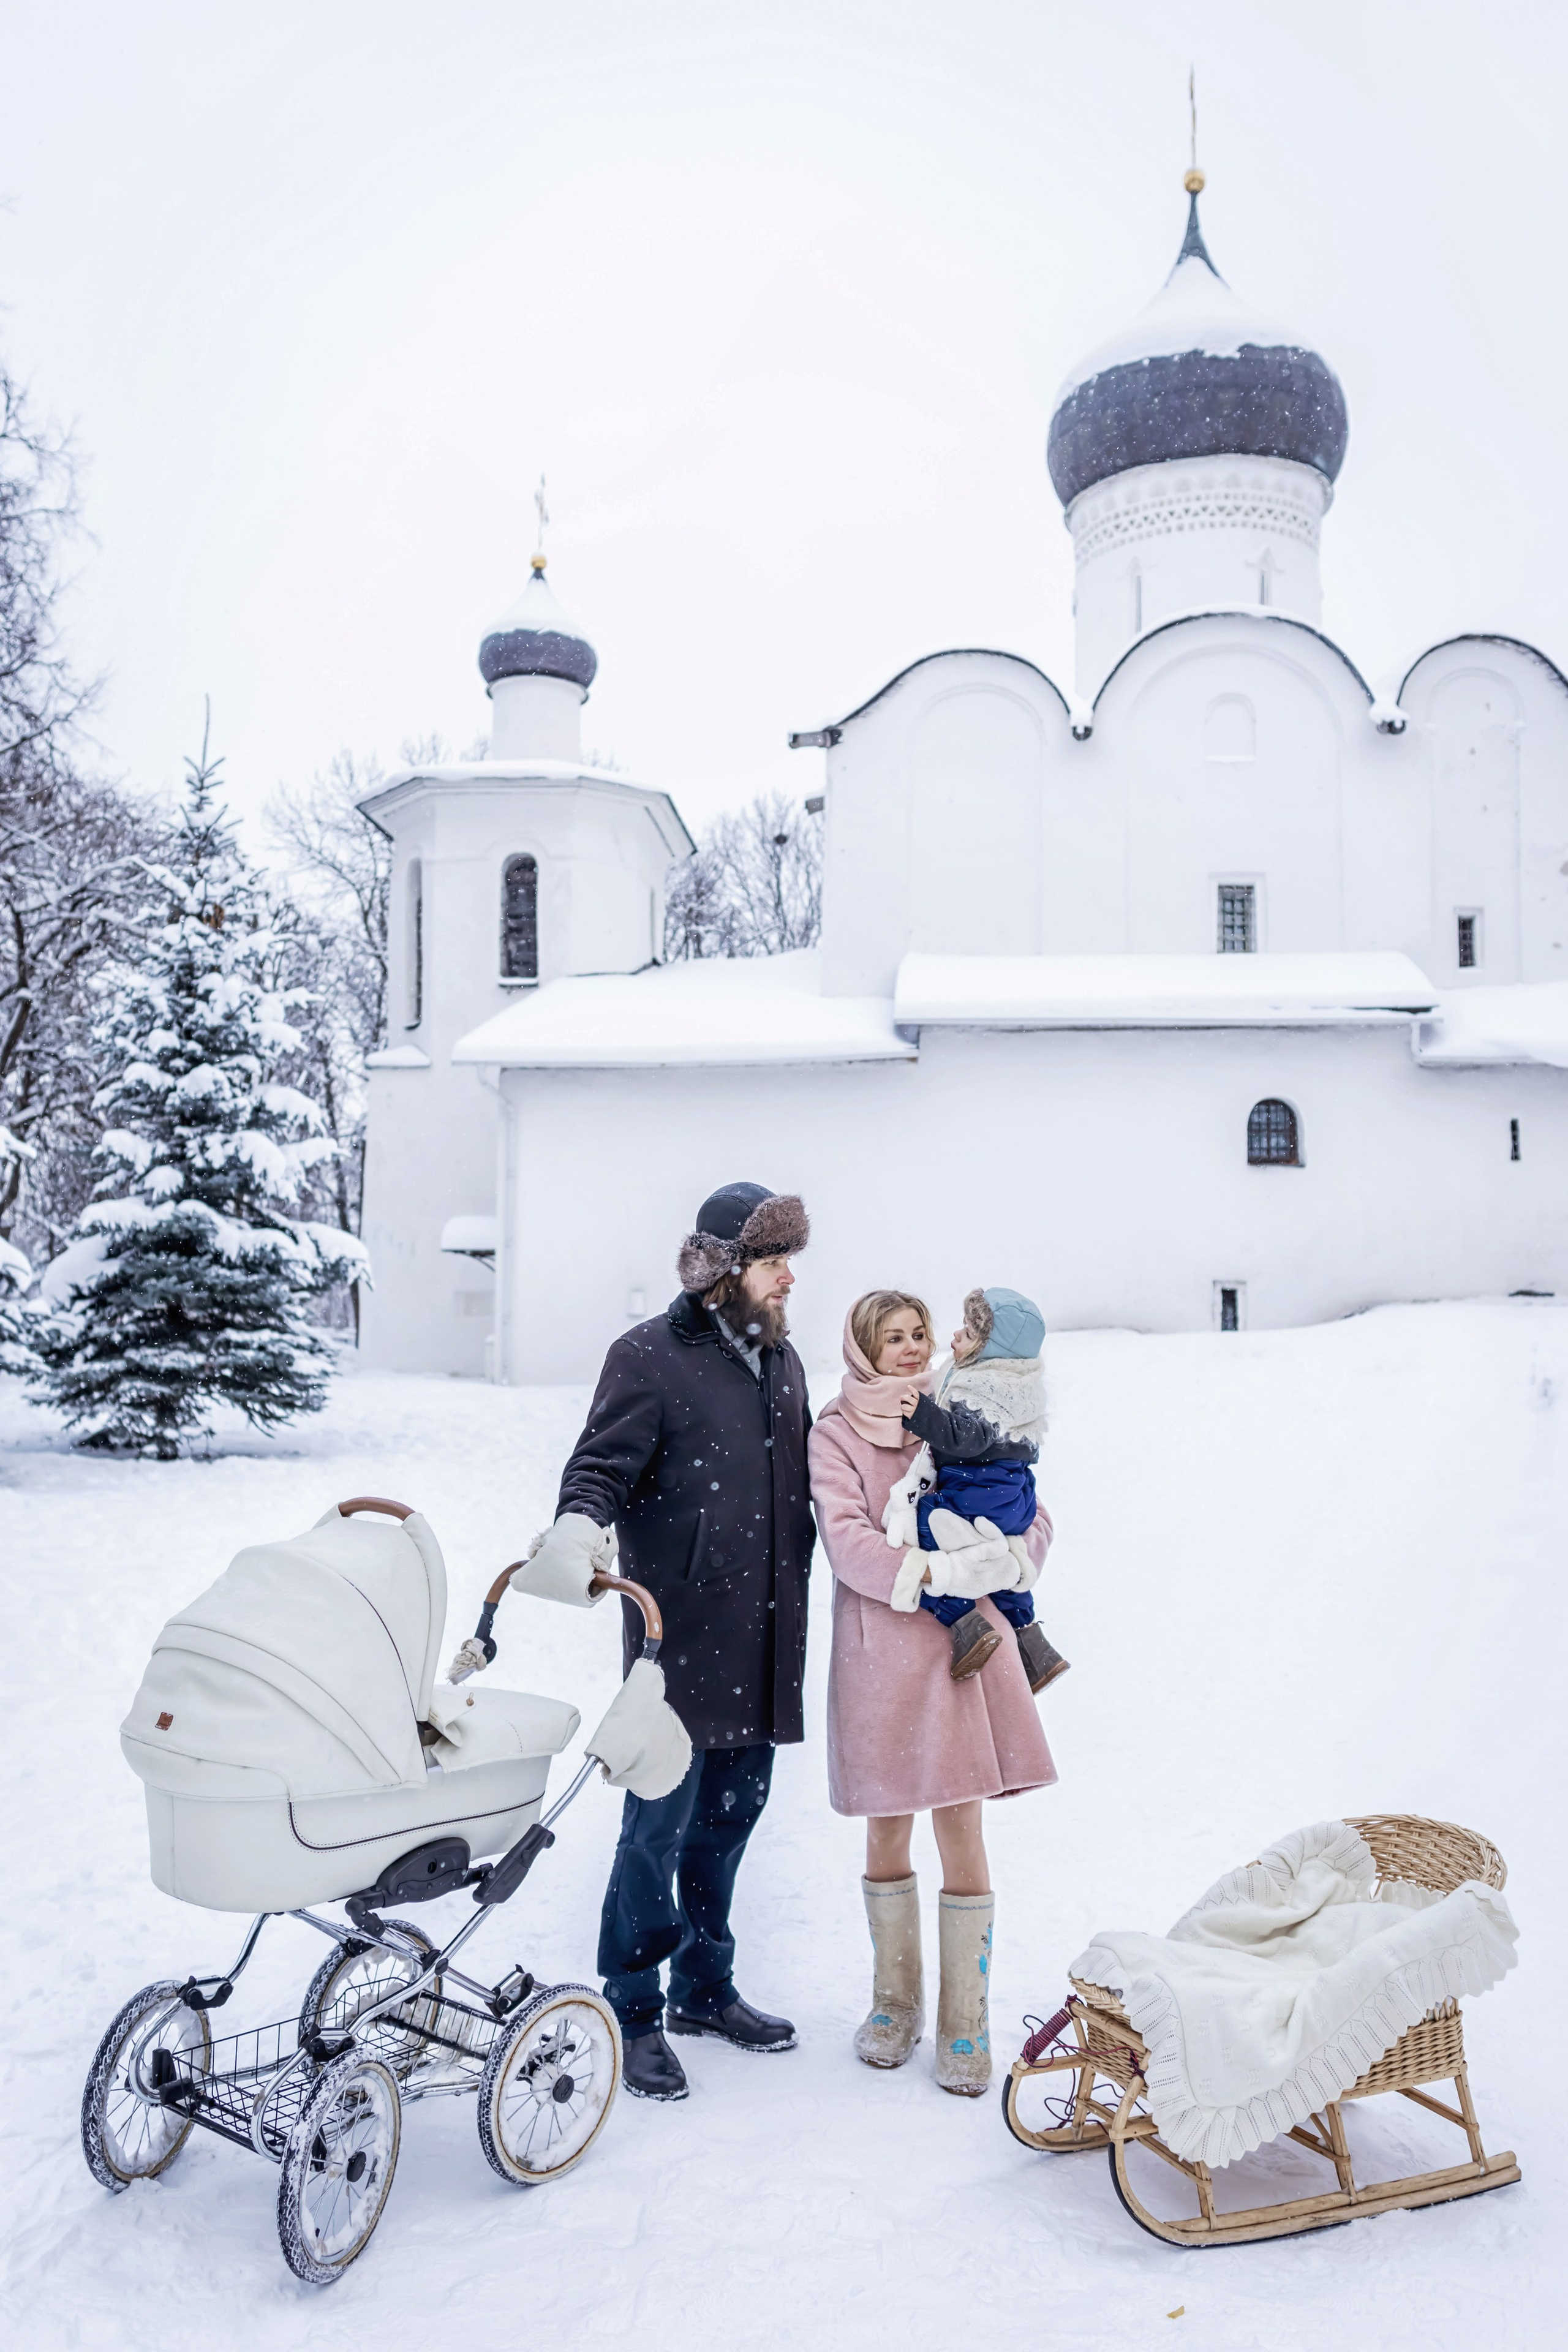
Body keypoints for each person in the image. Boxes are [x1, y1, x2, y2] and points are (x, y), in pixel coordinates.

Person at [511, 1181, 813, 2102]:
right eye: (773, 1263)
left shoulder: (784, 1360)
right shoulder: (648, 1356)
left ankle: (706, 1988)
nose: (789, 1279)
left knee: (730, 1825)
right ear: (724, 1270)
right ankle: (635, 2007)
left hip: (766, 1639)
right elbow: (599, 1466)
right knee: (657, 1833)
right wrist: (576, 1526)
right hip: (676, 1640)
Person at [808, 1289, 1057, 2094]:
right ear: (864, 1349)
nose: (913, 1348)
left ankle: (965, 2024)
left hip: (967, 1657)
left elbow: (1032, 1508)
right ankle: (894, 2005)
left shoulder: (963, 1401)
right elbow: (847, 1542)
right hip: (884, 1655)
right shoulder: (835, 1433)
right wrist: (929, 1573)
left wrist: (1010, 1561)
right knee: (887, 1833)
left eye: (920, 1333)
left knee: (962, 1827)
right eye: (895, 1337)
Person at [896, 1286, 1070, 1692]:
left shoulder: (984, 1390)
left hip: (978, 1495)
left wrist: (924, 1415)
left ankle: (963, 1621)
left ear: (992, 1350)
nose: (956, 1337)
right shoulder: (1019, 1385)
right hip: (1014, 1498)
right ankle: (1031, 1642)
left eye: (970, 1334)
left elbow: (966, 1438)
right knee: (1004, 1562)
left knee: (918, 1532)